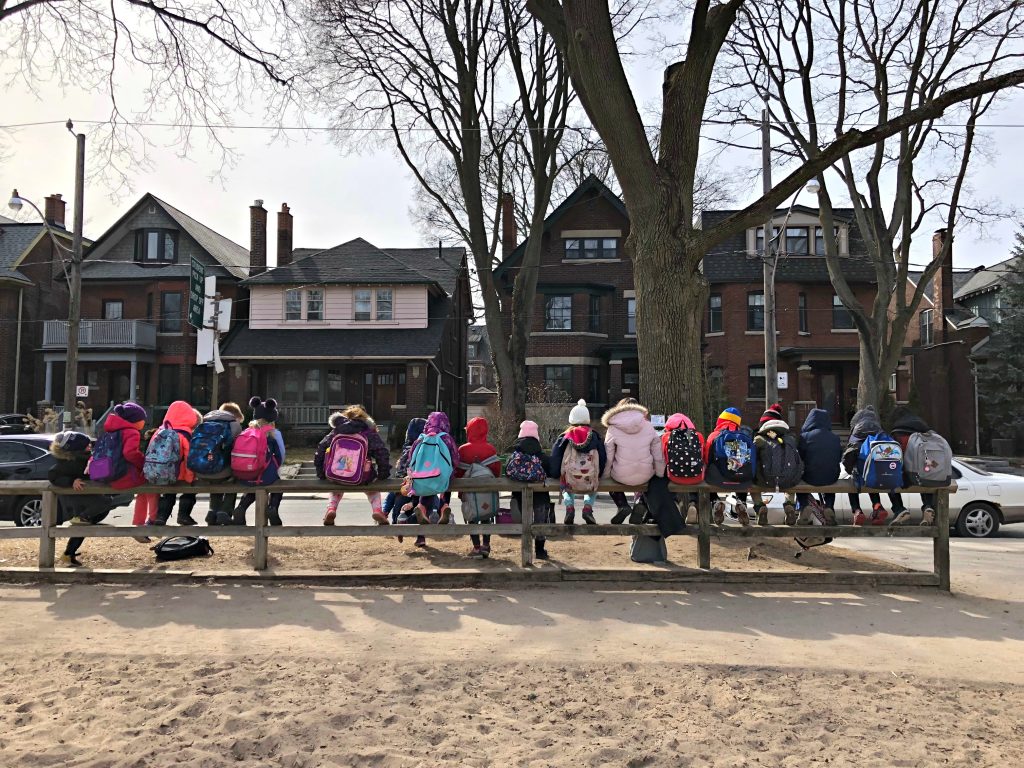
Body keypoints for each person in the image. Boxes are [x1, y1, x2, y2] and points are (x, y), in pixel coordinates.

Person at [316, 405, 391, 525]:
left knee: (335, 488)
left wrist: (321, 473)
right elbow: (382, 453)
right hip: (362, 477)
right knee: (374, 491)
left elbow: (320, 449)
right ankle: (377, 510)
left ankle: (331, 509)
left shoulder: (337, 430)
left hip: (336, 474)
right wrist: (382, 474)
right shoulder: (368, 432)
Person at [48, 431, 114, 567]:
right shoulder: (66, 462)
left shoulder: (86, 457)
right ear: (76, 448)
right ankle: (83, 518)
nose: (89, 446)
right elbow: (53, 476)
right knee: (105, 503)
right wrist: (71, 481)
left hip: (86, 494)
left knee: (82, 526)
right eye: (86, 445)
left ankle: (68, 554)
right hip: (76, 498)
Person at [602, 398, 665, 525]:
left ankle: (622, 505)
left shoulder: (613, 428)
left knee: (613, 484)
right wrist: (659, 473)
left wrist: (606, 474)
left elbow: (609, 455)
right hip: (645, 473)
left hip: (621, 474)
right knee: (648, 481)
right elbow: (657, 453)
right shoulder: (648, 426)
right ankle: (640, 502)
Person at [842, 405, 903, 526]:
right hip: (879, 473)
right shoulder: (879, 431)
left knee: (853, 480)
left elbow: (848, 457)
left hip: (862, 474)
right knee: (879, 478)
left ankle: (857, 510)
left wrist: (849, 470)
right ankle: (881, 507)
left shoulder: (856, 431)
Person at [550, 399, 606, 525]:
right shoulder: (595, 436)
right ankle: (587, 508)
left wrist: (553, 473)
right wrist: (600, 473)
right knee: (592, 488)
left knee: (566, 487)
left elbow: (555, 456)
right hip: (590, 475)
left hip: (570, 476)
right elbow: (602, 456)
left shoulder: (565, 435)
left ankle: (569, 507)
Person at [100, 401, 150, 542]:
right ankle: (142, 525)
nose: (144, 423)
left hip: (107, 474)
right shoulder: (132, 432)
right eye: (142, 420)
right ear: (134, 420)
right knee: (148, 488)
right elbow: (130, 453)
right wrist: (144, 463)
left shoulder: (110, 431)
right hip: (124, 475)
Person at [232, 397, 286, 525]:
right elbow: (280, 455)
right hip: (266, 476)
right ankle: (273, 508)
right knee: (277, 487)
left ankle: (241, 507)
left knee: (253, 487)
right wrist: (275, 467)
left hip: (245, 475)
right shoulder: (273, 433)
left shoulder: (247, 432)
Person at [193, 402, 245, 525]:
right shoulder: (234, 425)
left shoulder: (204, 422)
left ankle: (212, 512)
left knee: (215, 481)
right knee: (233, 480)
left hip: (201, 469)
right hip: (222, 471)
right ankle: (224, 512)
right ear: (235, 415)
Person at [456, 416, 501, 559]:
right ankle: (486, 545)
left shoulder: (462, 450)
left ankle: (476, 547)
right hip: (487, 491)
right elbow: (496, 471)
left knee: (472, 517)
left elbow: (458, 471)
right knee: (486, 516)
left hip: (469, 491)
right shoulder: (491, 449)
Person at [149, 401, 201, 526]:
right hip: (181, 473)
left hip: (161, 472)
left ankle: (161, 517)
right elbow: (189, 457)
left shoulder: (160, 431)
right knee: (189, 492)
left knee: (168, 494)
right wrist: (190, 476)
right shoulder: (184, 433)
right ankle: (183, 515)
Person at [507, 420, 553, 560]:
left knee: (524, 525)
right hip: (541, 497)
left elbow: (507, 472)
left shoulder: (514, 456)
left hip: (519, 496)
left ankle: (525, 552)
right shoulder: (542, 456)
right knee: (540, 524)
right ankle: (539, 551)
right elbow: (552, 471)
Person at [750, 404, 798, 526]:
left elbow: (752, 460)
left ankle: (760, 506)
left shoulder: (759, 439)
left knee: (753, 487)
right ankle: (789, 505)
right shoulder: (789, 439)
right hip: (785, 480)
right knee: (791, 485)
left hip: (764, 480)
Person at [889, 406, 938, 526]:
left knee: (889, 479)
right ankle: (928, 506)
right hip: (925, 471)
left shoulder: (897, 432)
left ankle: (899, 508)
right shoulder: (925, 429)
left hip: (906, 474)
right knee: (925, 476)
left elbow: (896, 455)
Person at [410, 411, 460, 527]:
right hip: (441, 476)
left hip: (422, 475)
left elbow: (411, 456)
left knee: (427, 482)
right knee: (444, 479)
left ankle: (421, 507)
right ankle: (444, 507)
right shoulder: (446, 438)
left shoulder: (421, 438)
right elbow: (455, 458)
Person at [796, 407, 841, 526]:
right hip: (831, 476)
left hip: (810, 476)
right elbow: (839, 457)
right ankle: (829, 506)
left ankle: (804, 506)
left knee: (798, 481)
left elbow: (800, 458)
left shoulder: (805, 437)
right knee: (829, 483)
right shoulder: (835, 438)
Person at [704, 407, 750, 525]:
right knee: (739, 470)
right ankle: (741, 502)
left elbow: (706, 459)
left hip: (718, 480)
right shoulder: (743, 436)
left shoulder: (713, 436)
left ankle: (715, 501)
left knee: (707, 474)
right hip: (740, 480)